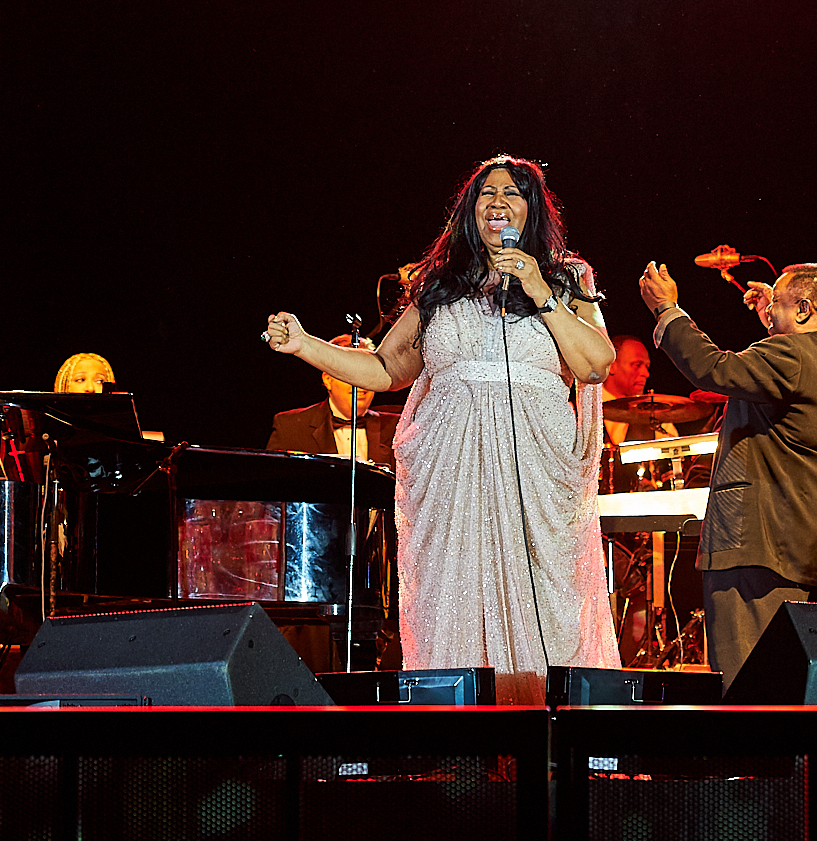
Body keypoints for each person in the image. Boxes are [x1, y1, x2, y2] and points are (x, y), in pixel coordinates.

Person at [264, 155, 620, 703]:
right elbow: (385, 369)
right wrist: (306, 345)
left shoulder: (566, 277)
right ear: (469, 210)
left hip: (535, 472)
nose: (497, 202)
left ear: (534, 210)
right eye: (485, 193)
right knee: (456, 599)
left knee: (546, 605)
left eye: (512, 192)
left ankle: (548, 737)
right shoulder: (440, 286)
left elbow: (595, 364)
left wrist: (539, 290)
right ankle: (460, 750)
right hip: (453, 472)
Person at [639, 259, 817, 691]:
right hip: (813, 550)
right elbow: (789, 374)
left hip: (757, 544)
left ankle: (749, 761)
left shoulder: (792, 356)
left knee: (746, 686)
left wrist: (668, 312)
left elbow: (715, 368)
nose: (771, 309)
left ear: (803, 309)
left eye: (781, 303)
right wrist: (777, 317)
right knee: (794, 686)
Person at [267, 335, 399, 470]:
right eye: (350, 374)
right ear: (328, 380)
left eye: (368, 375)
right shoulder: (290, 427)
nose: (360, 384)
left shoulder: (397, 428)